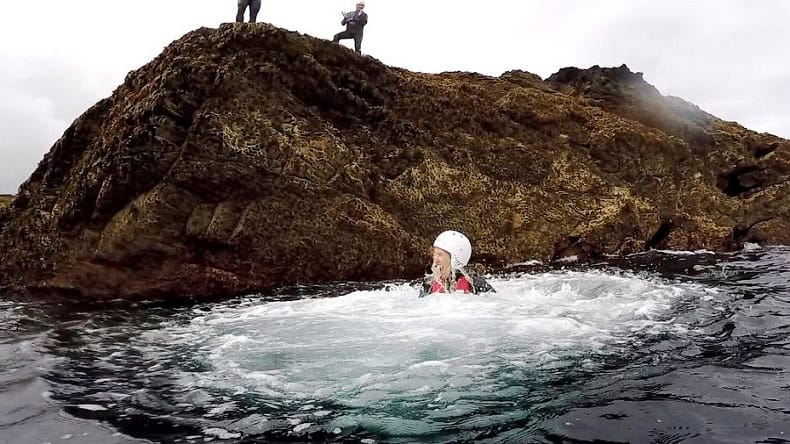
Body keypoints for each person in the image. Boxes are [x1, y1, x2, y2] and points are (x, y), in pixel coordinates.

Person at [419, 231, 495, 297]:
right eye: (434, 254)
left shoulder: (476, 286)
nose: (435, 259)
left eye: (440, 254)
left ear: (454, 259)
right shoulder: (428, 285)